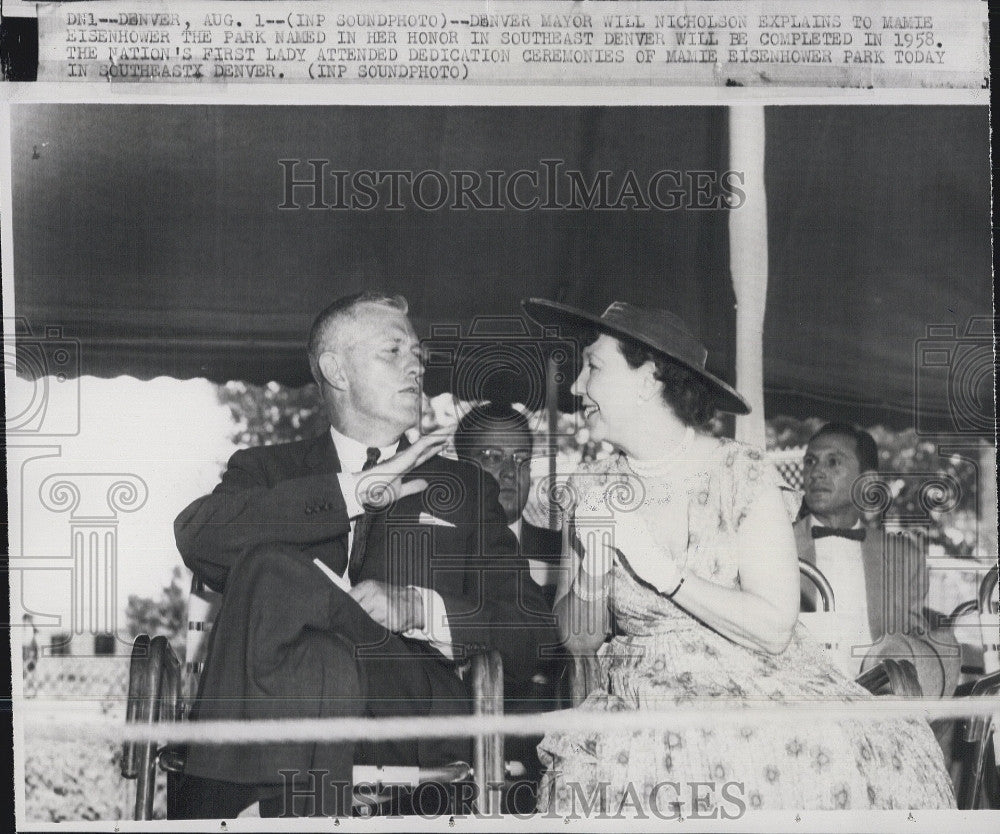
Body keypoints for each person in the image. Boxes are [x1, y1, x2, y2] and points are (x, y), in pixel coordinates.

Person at [522, 298, 956, 813]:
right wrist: (594, 559)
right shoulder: (592, 485)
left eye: (593, 366)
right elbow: (580, 640)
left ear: (648, 380)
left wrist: (661, 571)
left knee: (830, 749)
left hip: (761, 680)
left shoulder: (742, 473)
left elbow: (774, 629)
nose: (576, 386)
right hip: (646, 691)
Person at [172, 292, 556, 818]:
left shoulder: (463, 488)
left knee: (271, 569)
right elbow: (197, 536)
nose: (415, 365)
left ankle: (211, 809)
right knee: (294, 607)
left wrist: (419, 609)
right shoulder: (268, 470)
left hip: (408, 708)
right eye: (392, 350)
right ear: (337, 370)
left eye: (417, 354)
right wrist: (354, 489)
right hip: (297, 708)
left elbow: (531, 631)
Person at [796, 423, 961, 698]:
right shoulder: (775, 543)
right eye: (810, 461)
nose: (817, 472)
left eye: (833, 461)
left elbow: (909, 645)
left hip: (881, 702)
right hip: (801, 697)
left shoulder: (902, 557)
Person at [453, 403, 563, 799]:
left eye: (521, 459)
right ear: (460, 465)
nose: (509, 471)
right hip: (462, 731)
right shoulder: (443, 550)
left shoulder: (564, 551)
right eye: (492, 457)